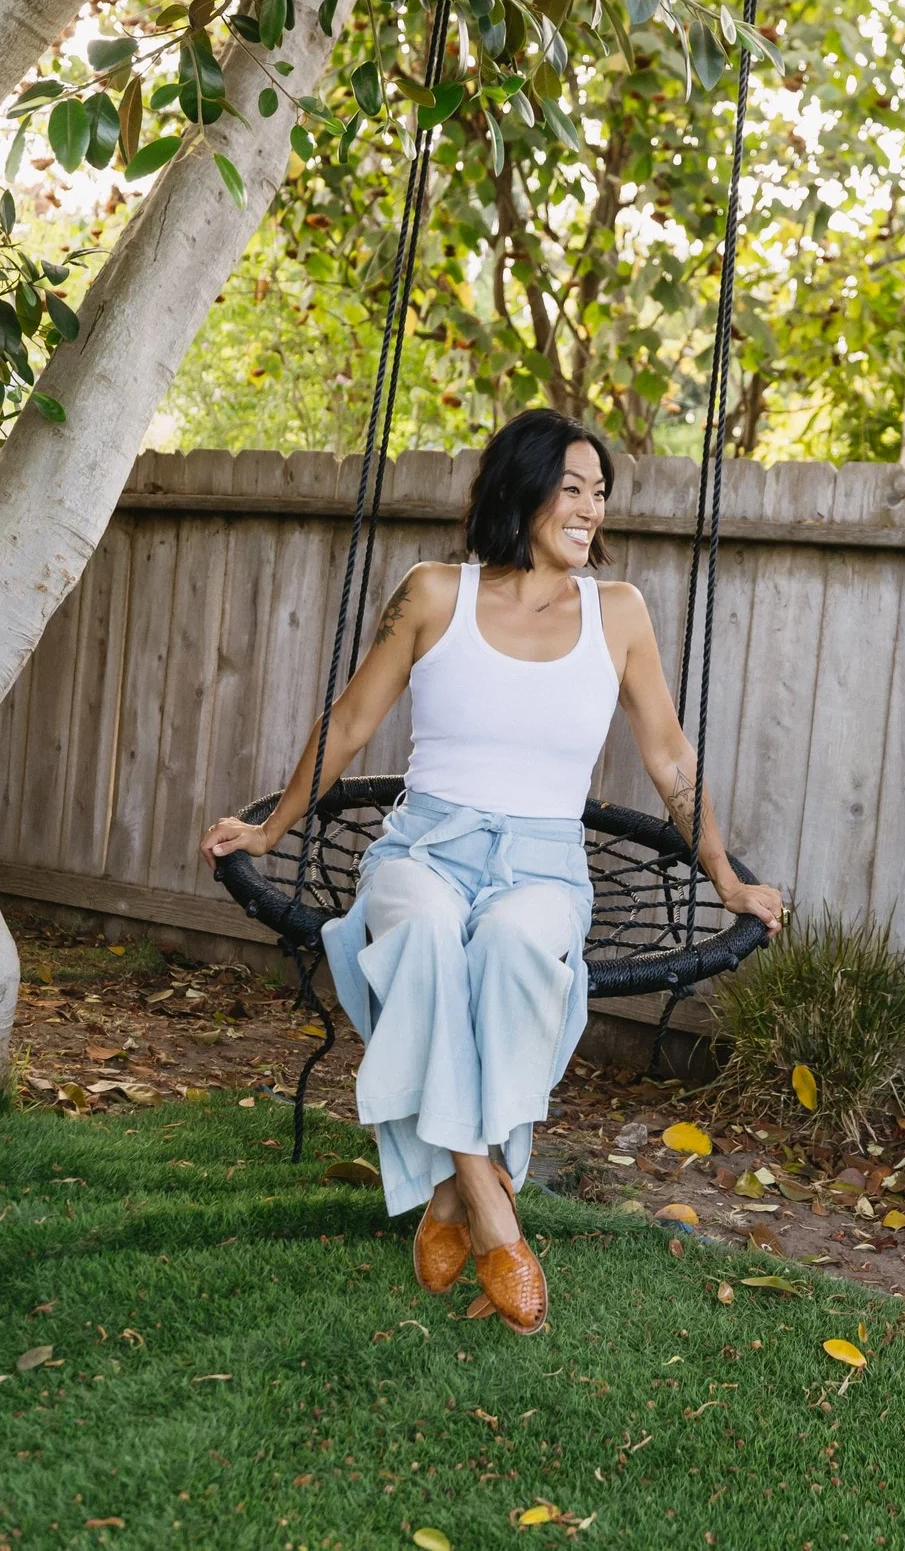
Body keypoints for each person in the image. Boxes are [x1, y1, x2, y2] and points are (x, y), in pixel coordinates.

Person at [202, 409, 784, 1334]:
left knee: (517, 949)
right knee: (425, 932)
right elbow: (349, 725)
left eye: (602, 493)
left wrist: (722, 877)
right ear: (523, 488)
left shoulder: (618, 612)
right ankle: (487, 1197)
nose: (591, 509)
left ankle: (444, 1196)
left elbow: (672, 758)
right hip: (425, 845)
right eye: (574, 488)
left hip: (543, 861)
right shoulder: (434, 593)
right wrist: (272, 832)